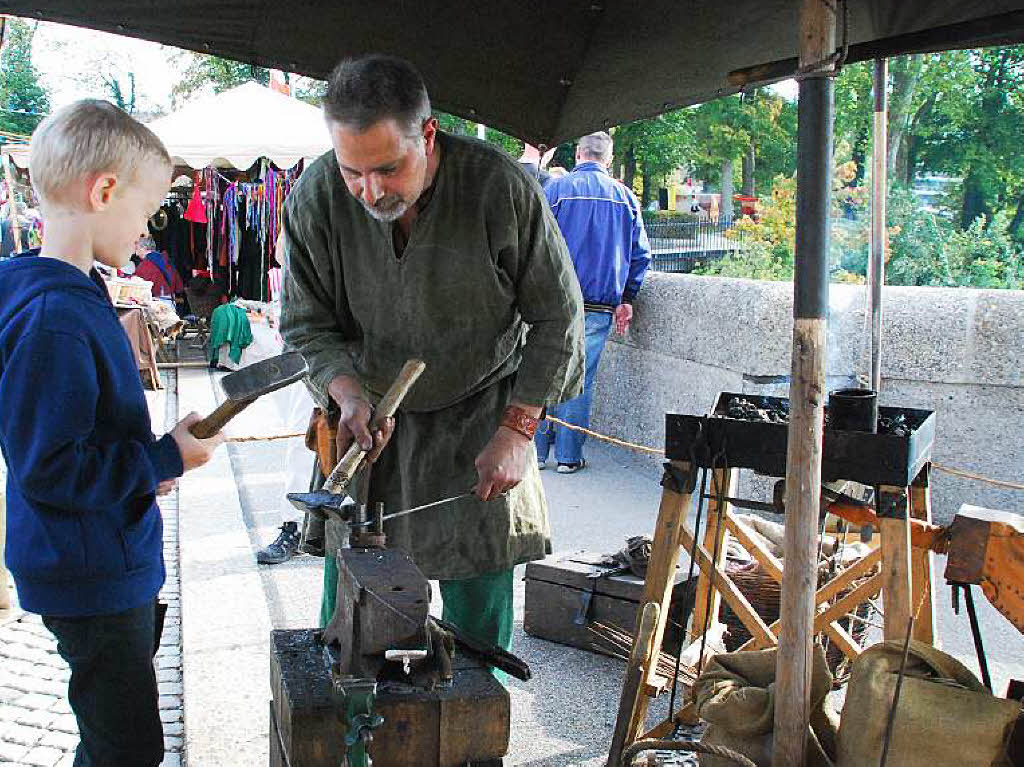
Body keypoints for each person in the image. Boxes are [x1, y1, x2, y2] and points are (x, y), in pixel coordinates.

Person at [281, 55, 584, 667]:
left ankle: (472, 752)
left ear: (428, 133)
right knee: (352, 629)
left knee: (475, 637)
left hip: (483, 423)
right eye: (353, 172)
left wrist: (519, 429)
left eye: (388, 169)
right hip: (368, 438)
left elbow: (558, 316)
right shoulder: (316, 195)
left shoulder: (499, 187)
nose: (370, 191)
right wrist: (346, 393)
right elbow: (306, 324)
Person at [0, 99, 224, 767]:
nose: (148, 228)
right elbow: (51, 467)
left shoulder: (62, 295)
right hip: (89, 573)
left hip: (98, 559)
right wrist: (162, 454)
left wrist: (149, 467)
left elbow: (78, 440)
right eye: (146, 210)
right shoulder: (54, 317)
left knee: (113, 736)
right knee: (125, 748)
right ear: (103, 191)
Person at [535, 131, 651, 473]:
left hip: (551, 301)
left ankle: (538, 453)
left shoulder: (554, 190)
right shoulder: (626, 198)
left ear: (578, 154)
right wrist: (627, 298)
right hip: (599, 305)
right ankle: (569, 457)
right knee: (580, 378)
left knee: (543, 372)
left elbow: (534, 243)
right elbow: (639, 255)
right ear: (608, 159)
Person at [134, 236, 185, 301]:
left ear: (144, 248)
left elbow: (137, 286)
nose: (136, 254)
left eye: (137, 249)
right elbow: (179, 287)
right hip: (171, 301)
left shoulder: (146, 264)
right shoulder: (166, 259)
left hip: (156, 303)